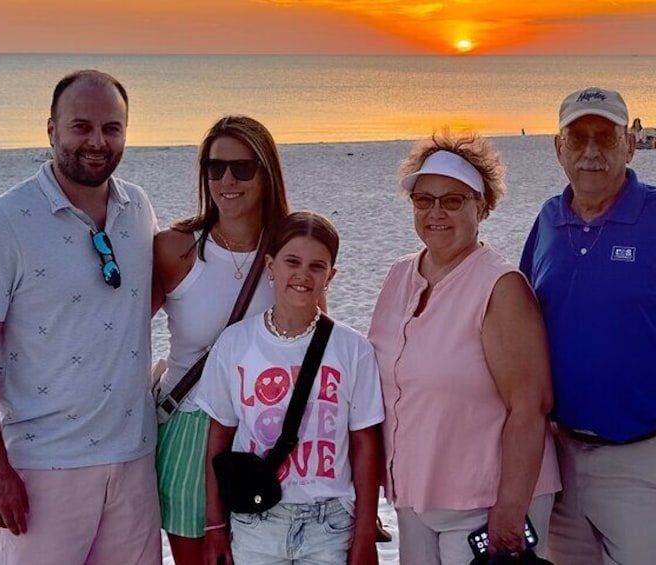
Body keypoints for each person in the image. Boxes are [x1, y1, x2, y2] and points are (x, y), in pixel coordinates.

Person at [519, 87, 656, 564]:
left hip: (648, 456)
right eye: (577, 139)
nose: (591, 151)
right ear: (558, 148)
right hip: (561, 455)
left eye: (606, 137)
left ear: (630, 144)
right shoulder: (549, 220)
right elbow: (521, 330)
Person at [0, 70, 161, 564]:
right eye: (80, 126)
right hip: (42, 468)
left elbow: (132, 305)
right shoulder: (4, 220)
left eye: (112, 128)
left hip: (133, 460)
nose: (96, 141)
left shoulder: (139, 209)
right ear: (51, 130)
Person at [368, 130, 561, 564]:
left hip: (485, 506)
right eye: (424, 200)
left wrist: (510, 517)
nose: (436, 212)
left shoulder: (500, 286)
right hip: (416, 498)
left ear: (482, 206)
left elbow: (530, 407)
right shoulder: (400, 275)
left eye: (453, 200)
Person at [196, 211, 385, 565]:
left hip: (329, 523)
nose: (302, 274)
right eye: (292, 262)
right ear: (271, 266)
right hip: (256, 522)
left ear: (331, 275)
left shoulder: (352, 349)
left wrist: (364, 533)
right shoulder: (236, 343)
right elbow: (218, 438)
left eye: (317, 266)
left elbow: (364, 444)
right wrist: (215, 526)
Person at [152, 115, 290, 564]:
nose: (227, 180)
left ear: (266, 172)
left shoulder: (291, 251)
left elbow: (316, 349)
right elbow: (117, 333)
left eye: (242, 168)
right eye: (214, 168)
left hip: (268, 431)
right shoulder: (176, 249)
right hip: (191, 428)